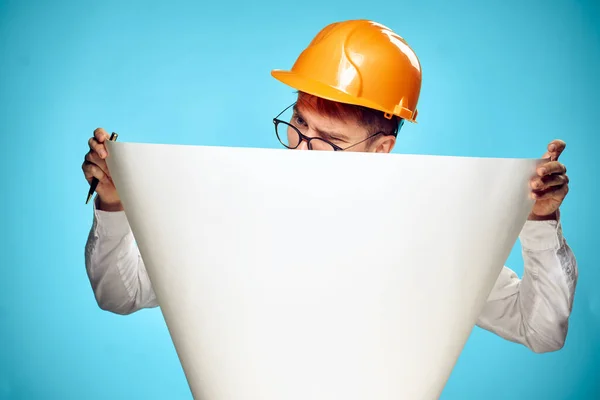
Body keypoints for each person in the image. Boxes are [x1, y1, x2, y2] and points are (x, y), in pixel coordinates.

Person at [82, 20, 577, 354]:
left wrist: (539, 222)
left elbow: (540, 329)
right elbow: (120, 295)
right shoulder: (232, 209)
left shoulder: (433, 240)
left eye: (329, 141)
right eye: (298, 124)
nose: (299, 151)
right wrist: (113, 202)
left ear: (381, 150)